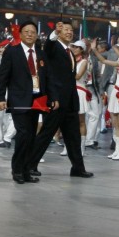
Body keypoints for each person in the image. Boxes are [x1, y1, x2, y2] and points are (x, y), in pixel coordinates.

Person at [29, 21, 93, 178]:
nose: (69, 32)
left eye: (71, 30)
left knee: (73, 136)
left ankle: (78, 168)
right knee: (46, 134)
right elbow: (49, 46)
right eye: (66, 30)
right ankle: (30, 165)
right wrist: (54, 34)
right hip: (56, 100)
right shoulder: (54, 47)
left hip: (70, 101)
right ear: (59, 32)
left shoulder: (70, 52)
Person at [0, 21, 47, 183]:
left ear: (37, 35)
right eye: (26, 31)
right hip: (18, 99)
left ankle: (26, 171)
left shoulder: (40, 52)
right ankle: (17, 169)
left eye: (33, 32)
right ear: (21, 34)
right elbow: (3, 76)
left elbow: (46, 77)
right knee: (23, 134)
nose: (30, 34)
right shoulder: (12, 51)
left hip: (37, 99)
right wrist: (0, 98)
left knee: (31, 136)